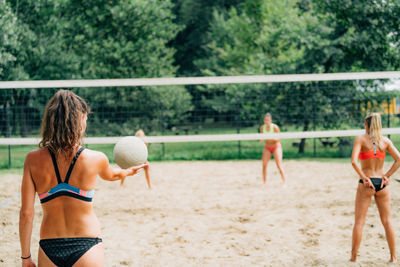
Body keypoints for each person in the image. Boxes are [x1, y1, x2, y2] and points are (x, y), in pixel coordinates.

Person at [19, 90, 147, 267]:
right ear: (79, 119)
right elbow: (111, 175)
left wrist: (26, 258)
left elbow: (26, 214)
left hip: (50, 246)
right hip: (86, 245)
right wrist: (127, 172)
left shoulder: (32, 160)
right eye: (85, 117)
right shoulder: (96, 158)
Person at [350, 113, 400, 263]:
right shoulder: (385, 141)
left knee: (359, 222)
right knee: (387, 221)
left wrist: (364, 178)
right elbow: (399, 159)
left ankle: (353, 258)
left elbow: (353, 161)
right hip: (382, 183)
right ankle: (393, 257)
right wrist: (387, 176)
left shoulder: (360, 139)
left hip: (367, 183)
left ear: (366, 124)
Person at [259, 113, 286, 186]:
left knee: (279, 165)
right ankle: (264, 182)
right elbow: (262, 138)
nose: (266, 121)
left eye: (267, 120)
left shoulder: (275, 127)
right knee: (264, 165)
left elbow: (278, 139)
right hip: (267, 147)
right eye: (265, 120)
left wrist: (270, 137)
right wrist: (261, 139)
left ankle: (284, 182)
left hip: (276, 146)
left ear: (270, 120)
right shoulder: (262, 128)